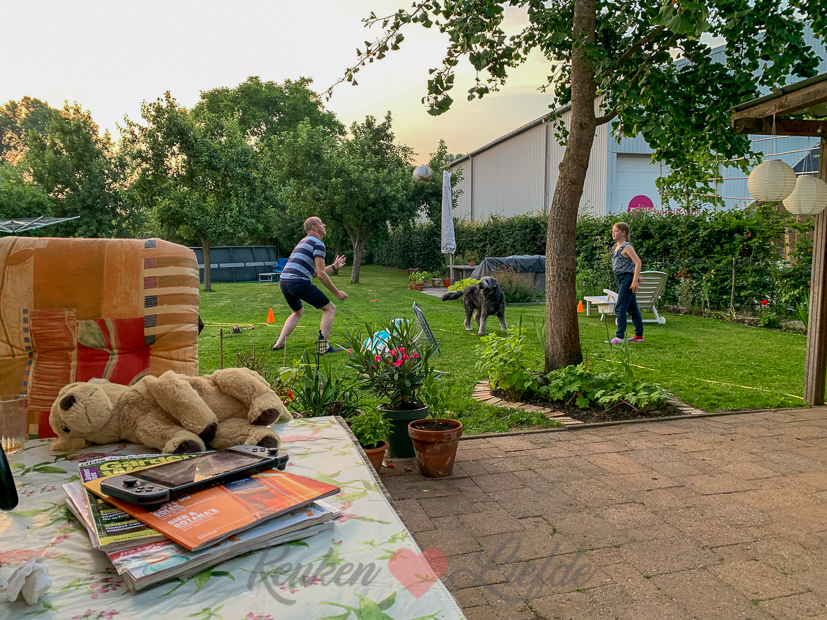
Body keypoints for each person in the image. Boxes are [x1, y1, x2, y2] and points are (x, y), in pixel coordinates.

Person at [271, 217, 348, 353]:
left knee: (297, 312)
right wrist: (337, 293)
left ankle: (278, 343)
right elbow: (321, 274)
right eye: (321, 223)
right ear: (314, 227)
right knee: (330, 309)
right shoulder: (318, 243)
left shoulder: (304, 242)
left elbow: (314, 273)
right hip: (298, 282)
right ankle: (323, 347)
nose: (324, 225)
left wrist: (334, 266)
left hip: (284, 281)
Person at [605, 221, 644, 345]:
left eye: (616, 231)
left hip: (627, 279)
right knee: (633, 308)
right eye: (613, 231)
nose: (613, 233)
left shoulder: (627, 246)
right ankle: (639, 335)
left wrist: (634, 280)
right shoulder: (614, 247)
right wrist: (635, 275)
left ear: (624, 232)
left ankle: (619, 336)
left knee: (620, 307)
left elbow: (637, 262)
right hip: (621, 278)